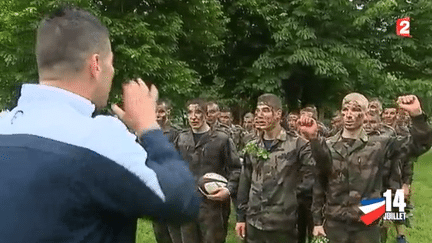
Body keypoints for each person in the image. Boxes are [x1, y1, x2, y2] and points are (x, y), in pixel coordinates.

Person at [0, 7, 200, 243]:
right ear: (96, 64)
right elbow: (181, 201)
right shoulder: (100, 138)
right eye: (111, 63)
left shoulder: (4, 126)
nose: (112, 71)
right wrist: (149, 128)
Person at [303, 93, 432, 243]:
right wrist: (317, 221)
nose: (349, 115)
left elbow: (419, 145)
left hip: (367, 222)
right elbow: (320, 182)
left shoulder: (380, 145)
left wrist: (417, 115)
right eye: (345, 109)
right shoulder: (328, 145)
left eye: (356, 110)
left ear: (365, 114)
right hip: (335, 222)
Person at [235, 93, 319, 242]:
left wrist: (313, 139)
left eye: (265, 110)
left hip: (284, 225)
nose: (259, 115)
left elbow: (317, 171)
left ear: (278, 114)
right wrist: (240, 217)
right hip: (255, 223)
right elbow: (245, 181)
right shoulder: (252, 146)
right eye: (257, 111)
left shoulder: (296, 144)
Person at [174, 98, 241, 243]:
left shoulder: (221, 139)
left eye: (198, 112)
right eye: (190, 112)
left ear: (206, 114)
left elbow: (236, 169)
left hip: (213, 207)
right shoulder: (181, 138)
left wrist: (228, 190)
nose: (193, 116)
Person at [152, 99, 183, 243]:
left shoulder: (176, 133)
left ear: (168, 113)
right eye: (155, 111)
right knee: (160, 233)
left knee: (175, 233)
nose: (158, 115)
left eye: (161, 111)